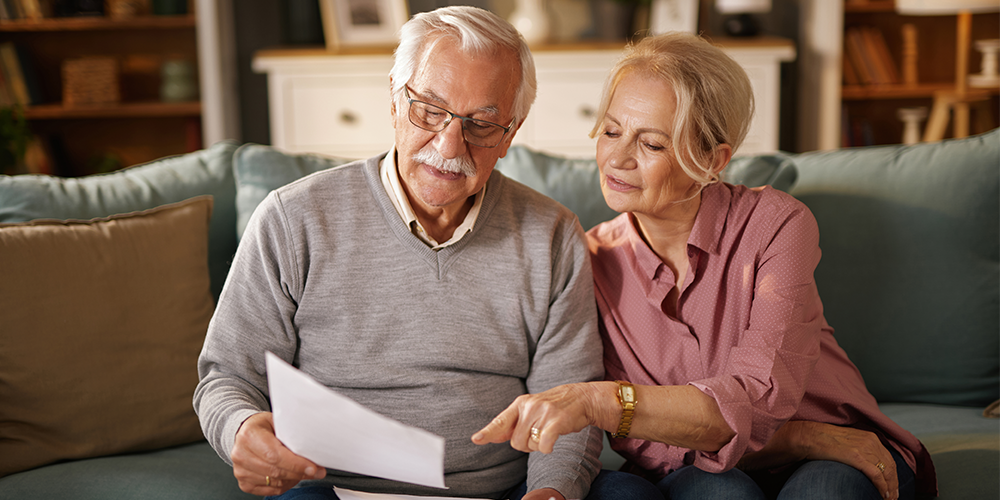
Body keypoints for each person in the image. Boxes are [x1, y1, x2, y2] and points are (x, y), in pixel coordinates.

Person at [193, 6, 660, 500]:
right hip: (331, 489)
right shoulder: (291, 218)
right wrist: (243, 432)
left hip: (502, 491)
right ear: (394, 102)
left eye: (481, 124)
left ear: (510, 134)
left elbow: (567, 408)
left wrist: (549, 494)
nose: (448, 143)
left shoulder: (552, 233)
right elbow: (227, 376)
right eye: (429, 110)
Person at [472, 33, 936, 500]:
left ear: (712, 160)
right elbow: (643, 442)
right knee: (719, 492)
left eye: (651, 144)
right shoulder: (590, 260)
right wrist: (801, 435)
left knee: (824, 492)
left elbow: (760, 397)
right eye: (611, 131)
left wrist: (810, 441)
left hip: (838, 449)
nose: (617, 157)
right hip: (732, 461)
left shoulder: (776, 225)